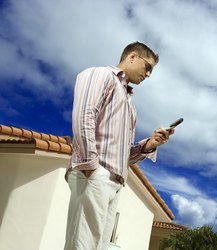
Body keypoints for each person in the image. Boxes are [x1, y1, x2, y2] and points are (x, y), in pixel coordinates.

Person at [64, 42, 173, 250]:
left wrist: (151, 143)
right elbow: (84, 116)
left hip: (114, 181)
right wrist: (90, 166)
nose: (148, 75)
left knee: (98, 247)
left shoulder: (130, 106)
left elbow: (123, 155)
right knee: (82, 245)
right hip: (96, 174)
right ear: (132, 57)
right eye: (148, 67)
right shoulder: (100, 75)